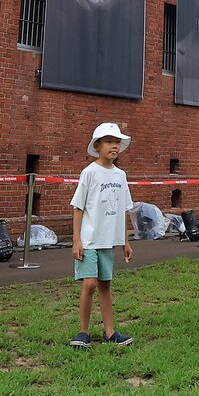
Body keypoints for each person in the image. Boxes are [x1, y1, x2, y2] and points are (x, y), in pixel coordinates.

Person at [69, 122, 136, 348]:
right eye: (109, 141)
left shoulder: (121, 175)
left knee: (105, 284)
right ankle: (83, 332)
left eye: (117, 142)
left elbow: (123, 210)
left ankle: (110, 332)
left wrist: (125, 241)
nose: (114, 146)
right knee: (89, 284)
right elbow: (78, 208)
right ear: (97, 145)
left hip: (109, 240)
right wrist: (77, 240)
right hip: (89, 239)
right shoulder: (89, 173)